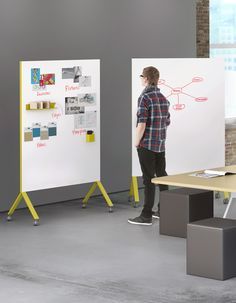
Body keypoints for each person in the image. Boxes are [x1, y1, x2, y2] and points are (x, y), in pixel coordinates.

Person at [128, 66, 170, 226]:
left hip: (147, 144)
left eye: (141, 76)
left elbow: (142, 124)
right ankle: (163, 210)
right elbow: (167, 121)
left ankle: (146, 215)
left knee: (148, 179)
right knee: (162, 175)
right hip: (160, 143)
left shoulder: (144, 98)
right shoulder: (163, 97)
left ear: (145, 79)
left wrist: (137, 142)